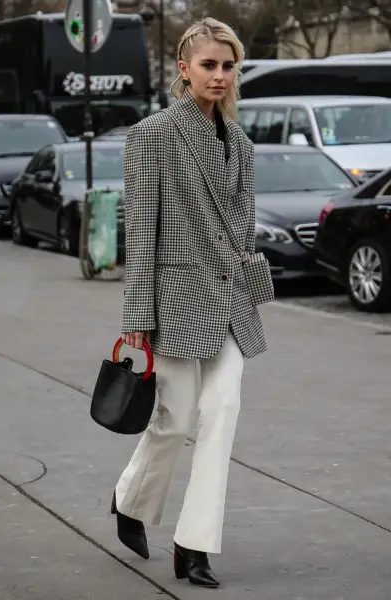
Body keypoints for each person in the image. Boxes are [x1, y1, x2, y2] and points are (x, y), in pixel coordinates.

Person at [112, 17, 271, 588]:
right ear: (184, 69)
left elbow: (244, 230)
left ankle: (193, 545)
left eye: (229, 66)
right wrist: (137, 316)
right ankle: (129, 501)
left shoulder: (243, 147)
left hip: (229, 301)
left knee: (222, 409)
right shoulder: (153, 133)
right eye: (209, 64)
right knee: (174, 420)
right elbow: (142, 229)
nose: (220, 75)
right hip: (175, 300)